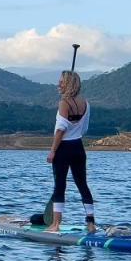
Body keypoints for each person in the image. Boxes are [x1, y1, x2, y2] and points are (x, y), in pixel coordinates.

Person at [46, 69, 95, 233]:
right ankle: (91, 223)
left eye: (61, 81)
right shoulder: (86, 104)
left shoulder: (63, 103)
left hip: (63, 148)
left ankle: (56, 224)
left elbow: (60, 129)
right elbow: (85, 128)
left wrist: (53, 150)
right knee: (82, 184)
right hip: (78, 147)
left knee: (60, 185)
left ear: (69, 84)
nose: (58, 84)